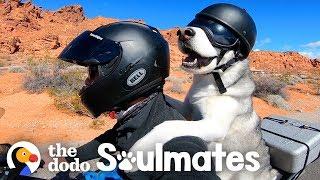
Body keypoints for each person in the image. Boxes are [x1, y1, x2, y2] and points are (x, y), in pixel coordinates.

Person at [57, 21, 219, 180]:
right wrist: (69, 158)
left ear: (130, 71)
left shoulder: (180, 144)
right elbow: (116, 136)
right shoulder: (139, 112)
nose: (87, 82)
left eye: (93, 72)